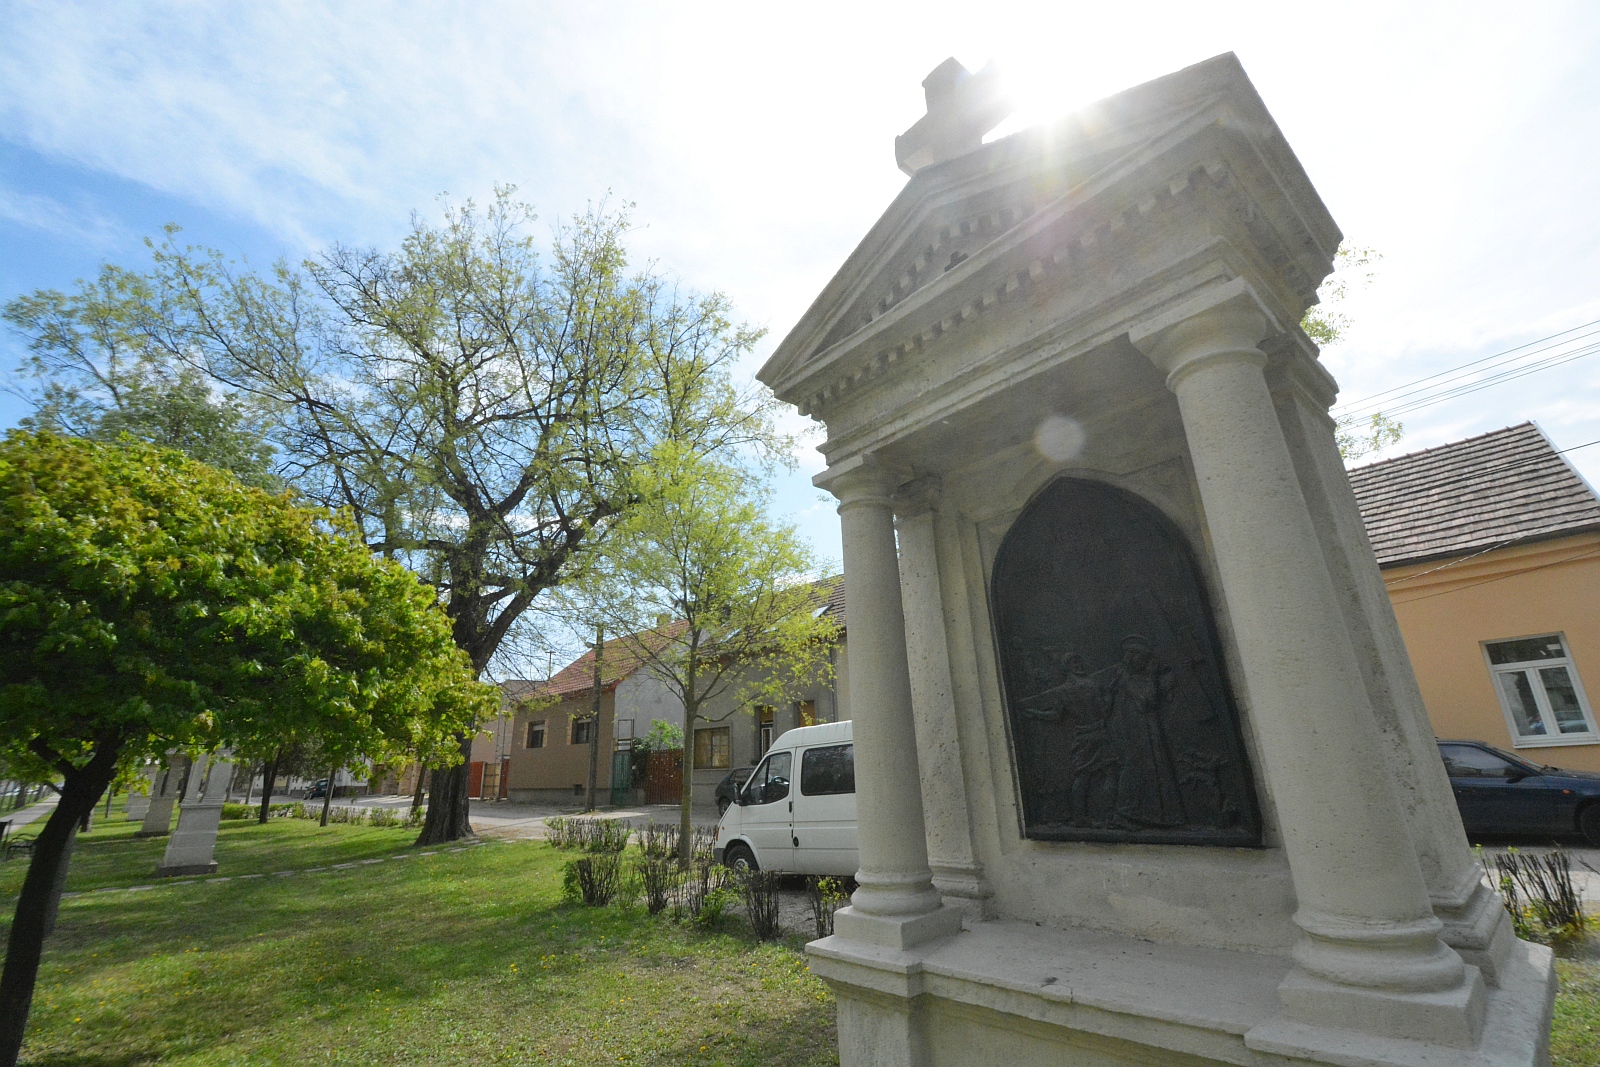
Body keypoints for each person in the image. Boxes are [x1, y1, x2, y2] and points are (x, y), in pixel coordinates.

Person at [1099, 635, 1184, 829]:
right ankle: (1123, 814)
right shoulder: (1127, 678)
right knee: (1134, 770)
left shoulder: (1134, 677)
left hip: (1144, 731)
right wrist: (1152, 677)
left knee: (1154, 769)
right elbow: (1147, 702)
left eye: (1135, 655)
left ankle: (1157, 816)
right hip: (1133, 733)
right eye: (1130, 655)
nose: (1131, 659)